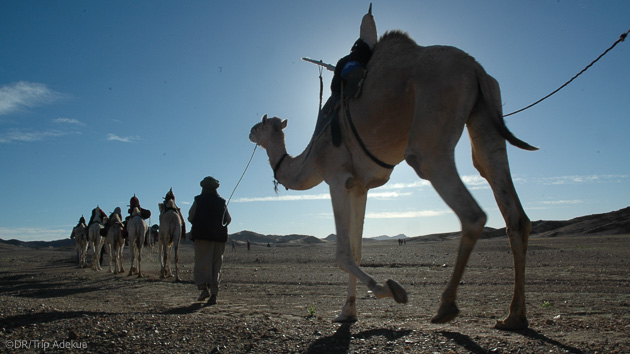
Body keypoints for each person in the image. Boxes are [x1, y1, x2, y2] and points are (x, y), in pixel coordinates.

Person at [188, 176, 231, 305]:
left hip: (202, 237)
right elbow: (228, 220)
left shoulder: (199, 200)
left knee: (202, 263)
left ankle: (203, 288)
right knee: (216, 265)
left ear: (203, 187)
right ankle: (214, 294)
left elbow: (191, 217)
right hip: (219, 238)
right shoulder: (221, 202)